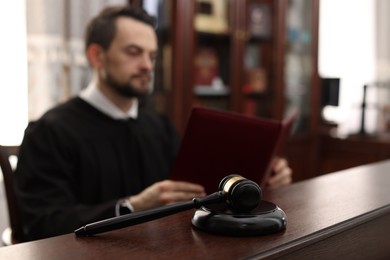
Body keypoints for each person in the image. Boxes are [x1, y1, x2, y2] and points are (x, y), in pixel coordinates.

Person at [15, 5, 292, 242]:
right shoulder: (49, 131)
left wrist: (252, 182)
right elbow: (42, 224)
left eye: (152, 56)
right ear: (97, 56)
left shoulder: (158, 125)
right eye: (134, 52)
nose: (148, 66)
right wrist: (132, 206)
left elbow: (198, 190)